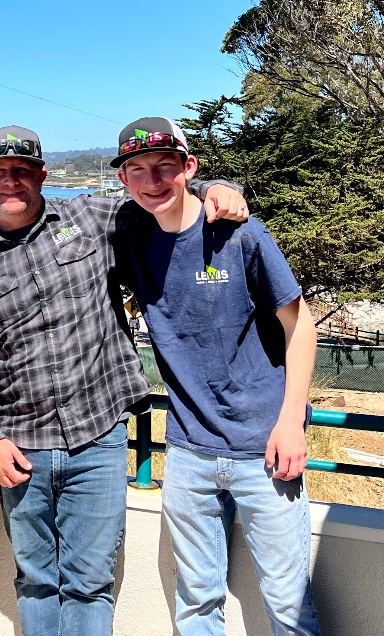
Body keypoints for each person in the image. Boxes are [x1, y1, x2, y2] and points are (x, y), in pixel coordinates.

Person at [0, 125, 248, 636]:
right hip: (21, 447)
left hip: (98, 439)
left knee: (90, 580)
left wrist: (215, 188)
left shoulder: (90, 217)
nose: (11, 182)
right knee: (37, 581)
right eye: (0, 173)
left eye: (22, 171)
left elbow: (163, 200)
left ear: (42, 175)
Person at [112, 117, 320, 635]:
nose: (152, 180)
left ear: (189, 167)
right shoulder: (129, 237)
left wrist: (292, 421)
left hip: (264, 449)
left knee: (288, 604)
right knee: (197, 603)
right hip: (187, 452)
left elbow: (301, 326)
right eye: (136, 170)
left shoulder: (238, 232)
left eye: (165, 166)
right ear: (122, 180)